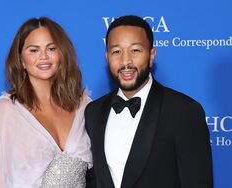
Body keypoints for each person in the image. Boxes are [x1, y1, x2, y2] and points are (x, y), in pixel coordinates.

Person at [85, 15, 213, 188]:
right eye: (116, 51)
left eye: (135, 50)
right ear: (107, 57)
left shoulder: (184, 112)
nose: (126, 61)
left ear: (151, 55)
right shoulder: (93, 112)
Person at [0, 17, 94, 188]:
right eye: (33, 50)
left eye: (51, 48)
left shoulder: (84, 106)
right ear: (21, 60)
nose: (43, 57)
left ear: (62, 54)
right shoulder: (7, 110)